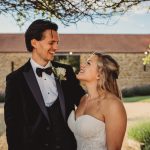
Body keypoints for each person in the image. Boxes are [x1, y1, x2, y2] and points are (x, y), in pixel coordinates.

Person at [4, 19, 85, 150]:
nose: (56, 48)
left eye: (57, 43)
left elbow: (84, 101)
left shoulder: (67, 72)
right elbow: (13, 127)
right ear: (34, 43)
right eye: (51, 42)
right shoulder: (15, 80)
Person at [68, 52, 127, 150]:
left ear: (99, 74)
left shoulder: (113, 105)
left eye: (88, 63)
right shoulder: (83, 99)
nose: (82, 65)